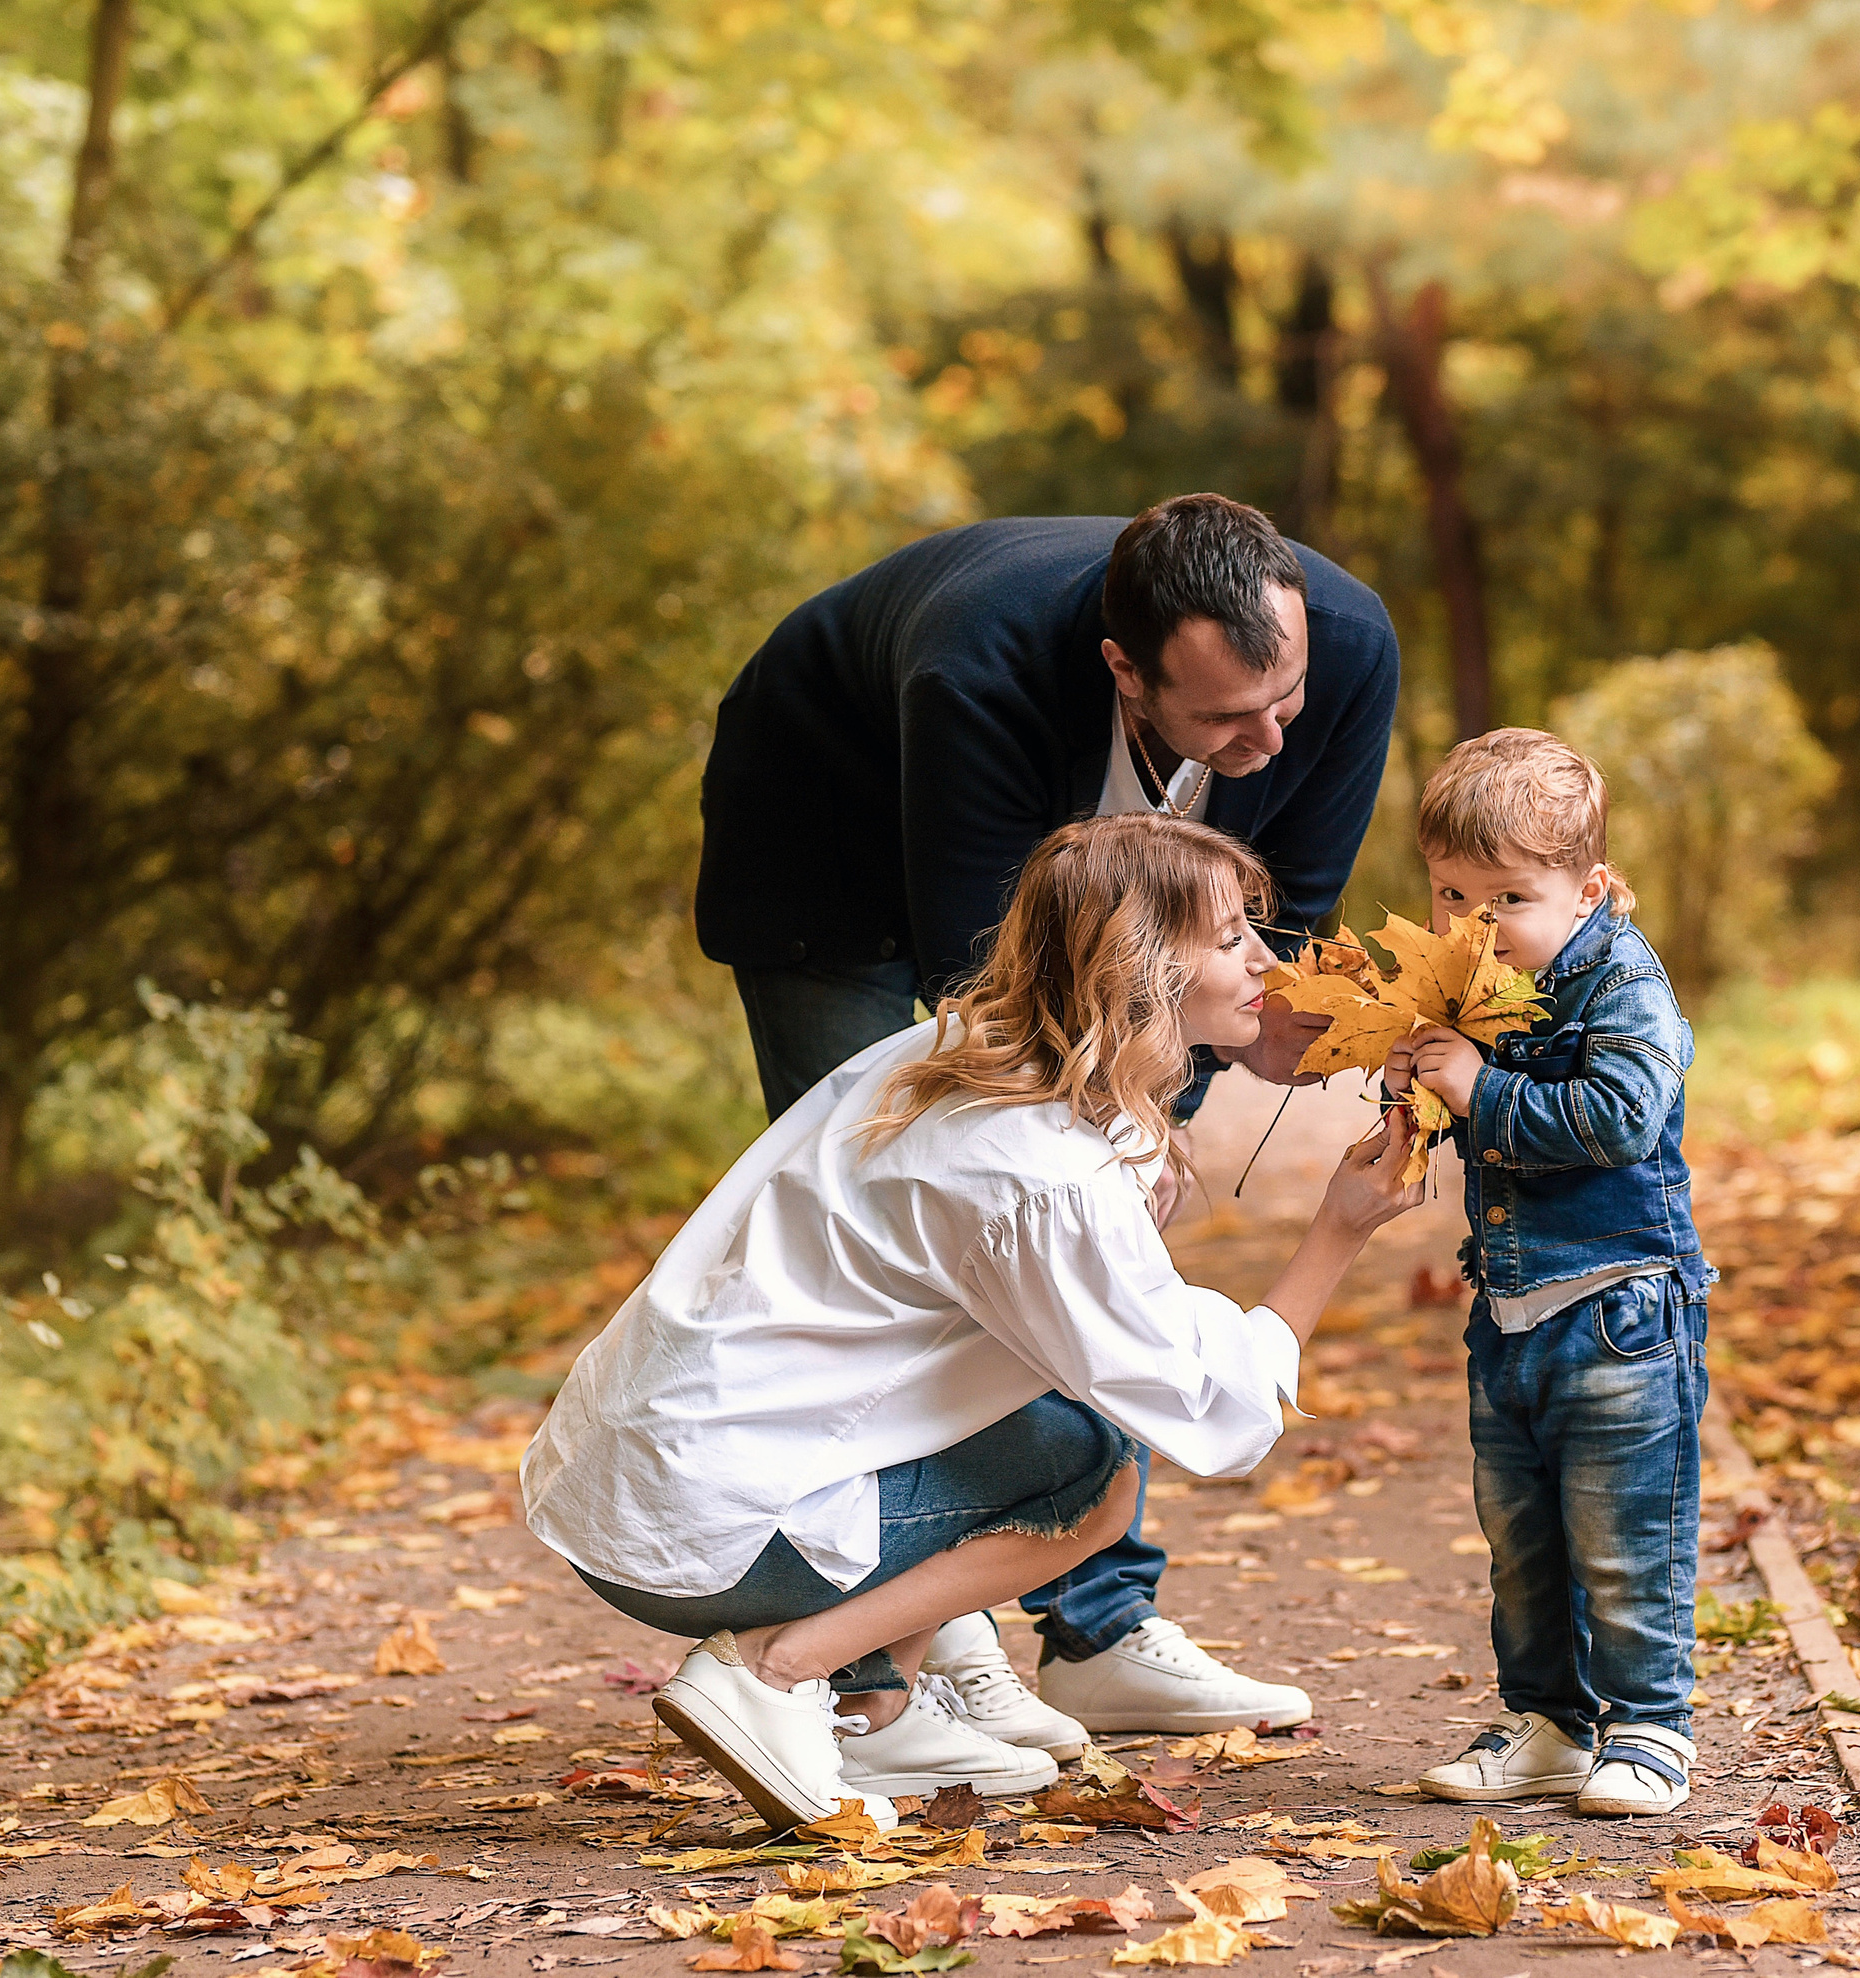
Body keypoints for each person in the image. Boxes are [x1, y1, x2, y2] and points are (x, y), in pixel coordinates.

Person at [522, 817, 1425, 1825]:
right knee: (1094, 1467)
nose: (1266, 960)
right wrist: (1336, 1234)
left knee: (1036, 1412)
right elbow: (1203, 1409)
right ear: (1138, 964)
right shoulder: (1043, 1171)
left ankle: (876, 1712)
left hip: (641, 1482)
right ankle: (776, 1676)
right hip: (709, 1536)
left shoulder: (957, 1051)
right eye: (1226, 938)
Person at [691, 494, 1398, 1746]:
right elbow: (1006, 1004)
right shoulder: (983, 670)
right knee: (924, 1216)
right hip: (828, 845)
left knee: (1090, 1220)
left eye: (1281, 697)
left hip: (1024, 889)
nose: (1271, 738)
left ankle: (1101, 1632)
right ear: (1123, 669)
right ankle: (900, 1659)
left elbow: (1278, 918)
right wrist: (1118, 1138)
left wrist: (1171, 1115)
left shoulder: (1337, 649)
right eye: (1227, 719)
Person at [1382, 731, 1716, 1819]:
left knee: (1625, 1537)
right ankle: (1551, 1721)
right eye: (1450, 895)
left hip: (1620, 1309)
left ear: (1592, 888)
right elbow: (1460, 1106)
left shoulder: (1622, 982)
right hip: (1510, 1315)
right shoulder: (1478, 983)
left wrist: (1479, 1088)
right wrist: (1418, 1091)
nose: (1473, 927)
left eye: (1508, 897)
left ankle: (1651, 1724)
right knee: (1522, 1544)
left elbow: (1622, 1119)